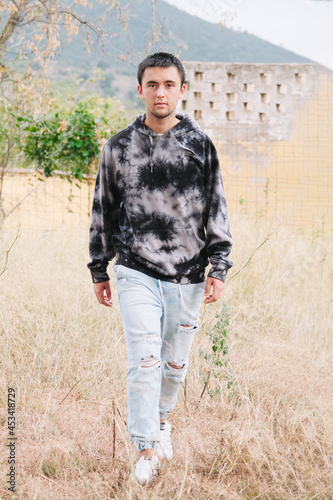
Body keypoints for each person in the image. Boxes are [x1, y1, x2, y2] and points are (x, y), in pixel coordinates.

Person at [88, 52, 233, 483]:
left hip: (188, 275)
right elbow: (103, 209)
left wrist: (219, 265)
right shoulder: (118, 147)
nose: (161, 92)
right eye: (152, 84)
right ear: (140, 90)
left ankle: (163, 421)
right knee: (145, 359)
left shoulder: (199, 145)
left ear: (182, 90)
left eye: (169, 84)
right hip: (134, 269)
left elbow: (216, 207)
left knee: (174, 366)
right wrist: (99, 268)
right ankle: (146, 449)